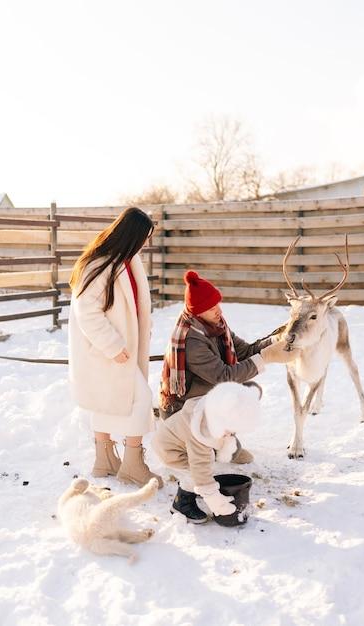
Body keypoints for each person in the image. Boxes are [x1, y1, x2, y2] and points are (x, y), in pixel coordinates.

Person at [159, 270, 298, 463]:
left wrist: (276, 340)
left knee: (250, 391)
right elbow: (224, 376)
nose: (219, 311)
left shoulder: (216, 327)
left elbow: (246, 351)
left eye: (217, 304)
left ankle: (221, 440)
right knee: (237, 396)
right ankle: (206, 442)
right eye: (211, 307)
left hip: (204, 397)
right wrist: (266, 358)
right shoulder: (192, 340)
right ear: (197, 312)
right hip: (184, 409)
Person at [68, 207, 162, 488]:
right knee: (141, 399)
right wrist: (112, 345)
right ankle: (133, 465)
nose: (148, 242)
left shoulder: (129, 262)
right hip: (106, 352)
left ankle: (105, 460)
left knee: (107, 401)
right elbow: (87, 311)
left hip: (123, 351)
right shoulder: (99, 266)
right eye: (145, 236)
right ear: (132, 236)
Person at [152, 381, 263, 523]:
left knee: (207, 461)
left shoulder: (213, 410)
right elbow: (200, 467)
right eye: (230, 430)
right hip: (170, 450)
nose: (231, 434)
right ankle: (182, 504)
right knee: (194, 473)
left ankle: (194, 489)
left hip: (179, 443)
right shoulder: (200, 431)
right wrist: (213, 498)